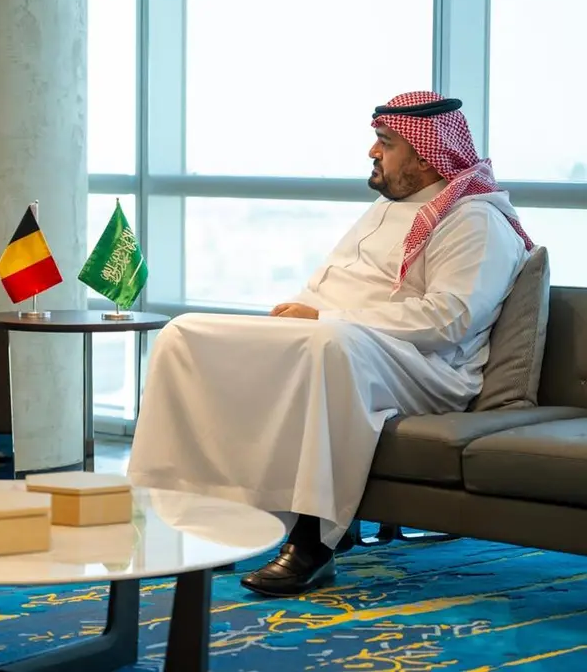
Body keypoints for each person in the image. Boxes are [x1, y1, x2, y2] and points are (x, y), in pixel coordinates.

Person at [127, 91, 534, 597]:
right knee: (185, 334)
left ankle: (313, 542)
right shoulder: (385, 211)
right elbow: (329, 288)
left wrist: (323, 319)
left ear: (428, 156)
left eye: (386, 143)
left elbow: (449, 320)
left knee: (327, 345)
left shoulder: (474, 219)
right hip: (345, 341)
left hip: (428, 369)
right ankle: (184, 521)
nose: (372, 152)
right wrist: (294, 320)